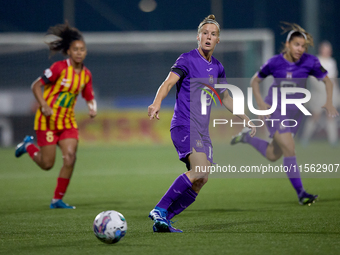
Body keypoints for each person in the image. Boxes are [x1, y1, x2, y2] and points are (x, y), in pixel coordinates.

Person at [147, 14, 256, 233]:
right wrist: (157, 102)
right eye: (205, 33)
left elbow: (224, 96)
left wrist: (244, 116)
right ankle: (159, 209)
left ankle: (164, 220)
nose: (208, 37)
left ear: (218, 40)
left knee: (201, 179)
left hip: (202, 131)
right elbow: (168, 83)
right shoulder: (187, 59)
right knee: (200, 169)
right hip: (184, 124)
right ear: (198, 37)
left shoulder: (218, 67)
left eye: (213, 34)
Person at [230, 23, 339, 205]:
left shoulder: (310, 62)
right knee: (290, 148)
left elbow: (328, 82)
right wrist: (260, 103)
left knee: (273, 155)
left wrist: (328, 101)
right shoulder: (275, 62)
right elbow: (254, 81)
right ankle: (301, 194)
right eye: (297, 45)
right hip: (275, 110)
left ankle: (247, 138)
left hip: (295, 114)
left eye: (303, 46)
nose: (300, 49)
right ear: (288, 45)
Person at [15, 22, 97, 209]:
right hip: (47, 122)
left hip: (67, 123)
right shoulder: (59, 68)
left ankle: (56, 200)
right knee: (47, 164)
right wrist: (43, 105)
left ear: (85, 52)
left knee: (70, 157)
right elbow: (36, 85)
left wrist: (93, 107)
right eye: (75, 49)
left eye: (82, 49)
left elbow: (89, 96)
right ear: (69, 51)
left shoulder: (86, 74)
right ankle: (28, 146)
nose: (79, 52)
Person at [301, 41, 339, 146]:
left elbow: (334, 79)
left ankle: (333, 140)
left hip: (330, 93)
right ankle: (305, 138)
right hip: (320, 93)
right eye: (324, 49)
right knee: (315, 115)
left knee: (330, 116)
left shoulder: (332, 62)